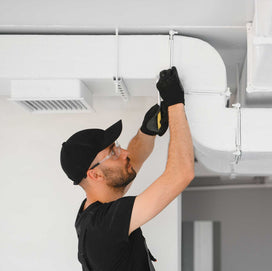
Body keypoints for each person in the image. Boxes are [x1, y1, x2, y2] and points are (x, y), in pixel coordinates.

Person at [60, 67, 194, 271]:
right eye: (113, 152)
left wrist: (147, 132)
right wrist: (175, 103)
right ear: (94, 174)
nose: (124, 154)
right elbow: (181, 173)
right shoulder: (104, 227)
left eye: (117, 147)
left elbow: (130, 163)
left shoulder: (94, 209)